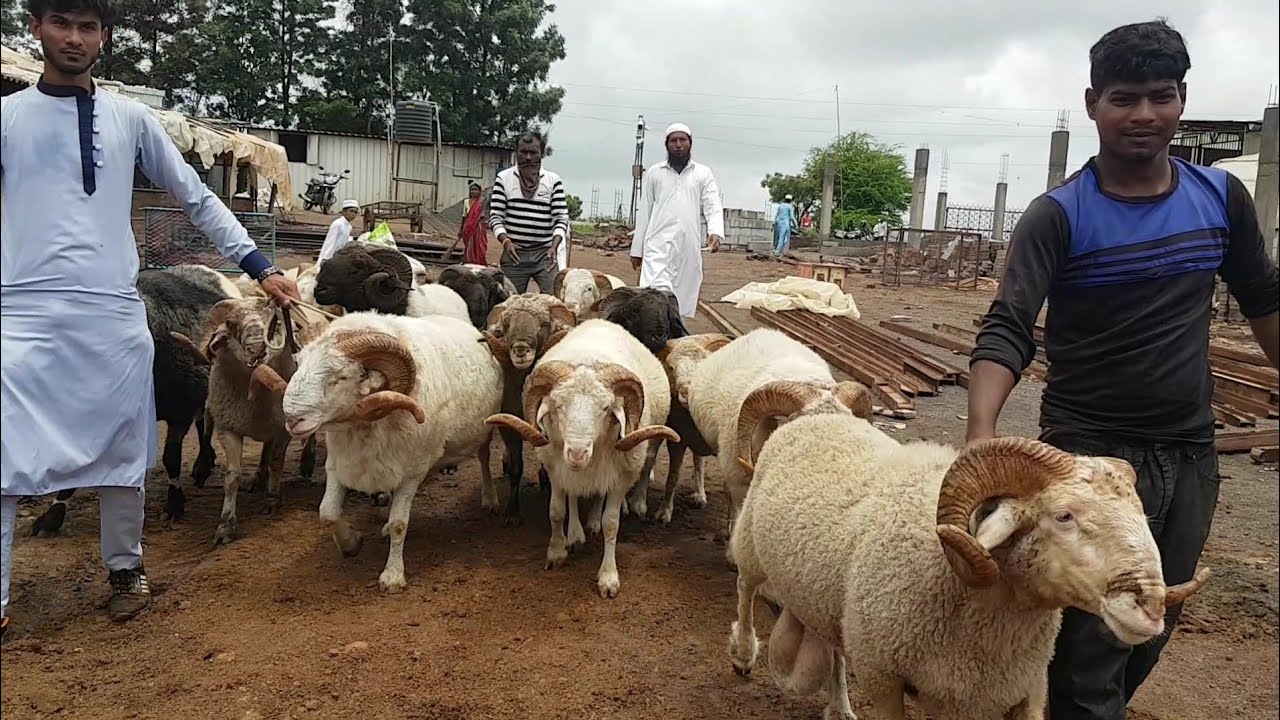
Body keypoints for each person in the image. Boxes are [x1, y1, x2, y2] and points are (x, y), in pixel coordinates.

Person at [967, 20, 1278, 720]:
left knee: (1148, 623)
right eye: (1124, 98)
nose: (1144, 115)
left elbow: (1264, 301)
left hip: (1190, 453)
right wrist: (981, 432)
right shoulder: (1059, 216)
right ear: (1092, 103)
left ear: (1181, 100)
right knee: (1088, 649)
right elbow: (1009, 325)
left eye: (1160, 97)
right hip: (1088, 459)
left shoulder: (1219, 200)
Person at [0, 0, 301, 633]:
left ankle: (125, 566)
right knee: (3, 451)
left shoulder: (130, 118)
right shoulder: (7, 117)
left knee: (122, 447)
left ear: (104, 36)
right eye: (61, 24)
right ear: (37, 28)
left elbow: (194, 195)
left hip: (113, 310)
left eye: (88, 27)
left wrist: (257, 263)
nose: (74, 39)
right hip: (21, 312)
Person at [629, 123, 724, 318]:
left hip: (688, 247)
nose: (678, 145)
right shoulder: (655, 173)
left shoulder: (702, 173)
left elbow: (712, 204)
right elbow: (645, 211)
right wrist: (637, 250)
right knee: (655, 295)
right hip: (657, 246)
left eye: (683, 140)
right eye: (674, 141)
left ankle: (675, 339)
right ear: (666, 145)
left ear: (690, 144)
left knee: (681, 302)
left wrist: (714, 231)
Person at [489, 131, 569, 293]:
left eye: (533, 153)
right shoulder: (504, 179)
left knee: (554, 302)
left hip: (545, 256)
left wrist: (554, 246)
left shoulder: (552, 181)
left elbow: (561, 218)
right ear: (516, 152)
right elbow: (496, 217)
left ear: (542, 154)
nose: (528, 157)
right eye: (523, 152)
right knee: (508, 304)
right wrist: (506, 242)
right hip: (514, 256)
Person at [446, 182, 489, 265]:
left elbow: (484, 215)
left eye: (476, 190)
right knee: (469, 245)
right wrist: (461, 229)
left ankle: (479, 261)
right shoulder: (466, 202)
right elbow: (464, 216)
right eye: (472, 190)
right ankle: (469, 261)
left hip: (479, 226)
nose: (474, 192)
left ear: (480, 191)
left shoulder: (482, 202)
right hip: (468, 227)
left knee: (479, 245)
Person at [318, 198, 360, 264]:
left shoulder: (349, 227)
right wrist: (325, 258)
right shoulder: (338, 224)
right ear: (344, 211)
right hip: (330, 256)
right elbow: (329, 242)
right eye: (351, 211)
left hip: (339, 256)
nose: (353, 214)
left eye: (355, 212)